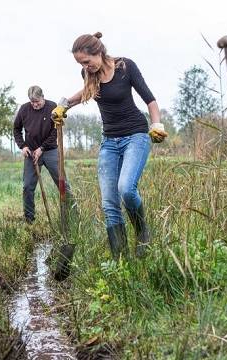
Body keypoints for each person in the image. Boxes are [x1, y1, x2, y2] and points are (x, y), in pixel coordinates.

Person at [52, 32, 168, 259]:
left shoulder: (126, 67)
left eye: (87, 61)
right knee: (109, 202)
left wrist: (156, 124)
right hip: (109, 141)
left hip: (135, 135)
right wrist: (63, 105)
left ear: (99, 52)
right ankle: (120, 259)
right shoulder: (89, 74)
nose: (85, 67)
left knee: (126, 189)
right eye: (80, 63)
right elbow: (84, 93)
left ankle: (143, 232)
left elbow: (150, 99)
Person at [13, 85, 72, 223]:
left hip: (50, 150)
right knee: (27, 187)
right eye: (32, 102)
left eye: (37, 101)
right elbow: (16, 129)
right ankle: (29, 220)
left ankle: (72, 214)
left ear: (42, 97)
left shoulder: (52, 107)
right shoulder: (24, 109)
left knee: (63, 183)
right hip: (31, 153)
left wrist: (42, 148)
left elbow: (55, 132)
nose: (35, 105)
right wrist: (23, 146)